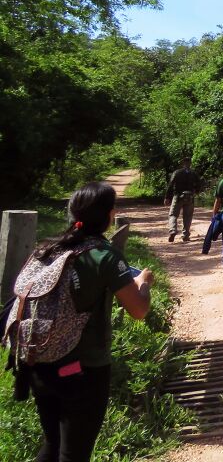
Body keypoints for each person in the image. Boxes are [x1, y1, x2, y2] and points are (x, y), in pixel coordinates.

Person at [11, 182, 154, 462]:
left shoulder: (48, 249)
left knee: (52, 445)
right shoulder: (104, 256)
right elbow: (139, 310)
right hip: (83, 370)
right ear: (108, 215)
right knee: (74, 454)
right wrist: (144, 283)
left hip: (37, 361)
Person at [164, 157, 199, 243]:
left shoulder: (177, 172)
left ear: (182, 163)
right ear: (190, 163)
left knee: (173, 215)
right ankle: (186, 235)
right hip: (190, 196)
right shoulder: (194, 173)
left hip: (178, 196)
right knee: (187, 216)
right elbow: (199, 185)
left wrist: (167, 197)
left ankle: (173, 230)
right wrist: (195, 192)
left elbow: (171, 185)